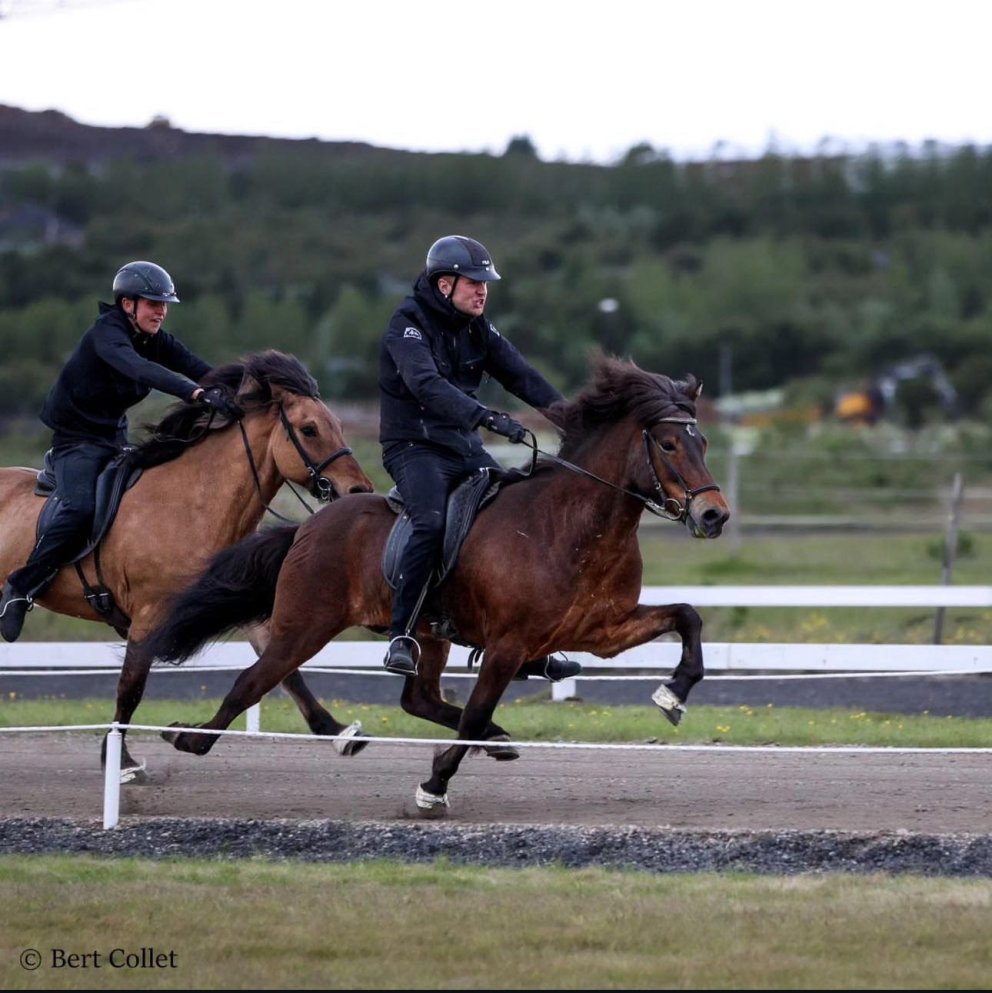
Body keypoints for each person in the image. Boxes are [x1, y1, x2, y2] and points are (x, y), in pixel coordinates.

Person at [0, 260, 237, 643]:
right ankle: (21, 587)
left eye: (164, 305)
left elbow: (200, 368)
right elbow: (140, 370)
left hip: (113, 439)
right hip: (75, 441)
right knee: (79, 508)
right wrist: (195, 394)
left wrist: (248, 388)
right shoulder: (106, 334)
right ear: (128, 304)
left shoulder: (153, 338)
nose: (161, 312)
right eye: (153, 304)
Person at [378, 234, 579, 681]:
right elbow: (425, 384)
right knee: (431, 523)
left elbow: (522, 376)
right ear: (444, 284)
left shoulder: (478, 328)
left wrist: (575, 420)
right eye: (473, 282)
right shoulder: (407, 324)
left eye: (485, 283)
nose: (482, 291)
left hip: (462, 446)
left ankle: (518, 644)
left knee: (512, 519)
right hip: (414, 447)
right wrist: (486, 416)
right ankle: (401, 634)